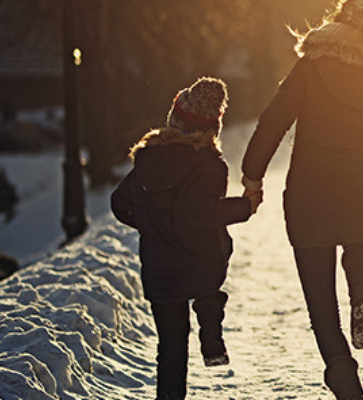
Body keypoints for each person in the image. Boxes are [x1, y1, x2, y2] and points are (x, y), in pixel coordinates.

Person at [239, 0, 363, 398]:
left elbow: (272, 123)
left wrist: (252, 177)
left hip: (308, 198)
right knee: (356, 235)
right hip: (362, 199)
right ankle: (361, 279)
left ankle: (340, 370)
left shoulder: (312, 68)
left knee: (319, 297)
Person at [110, 77, 261, 400]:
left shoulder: (148, 160)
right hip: (198, 262)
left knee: (171, 347)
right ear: (211, 129)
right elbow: (200, 213)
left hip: (159, 270)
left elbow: (120, 204)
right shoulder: (208, 165)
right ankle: (211, 329)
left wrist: (153, 224)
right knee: (208, 282)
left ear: (173, 119)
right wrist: (244, 206)